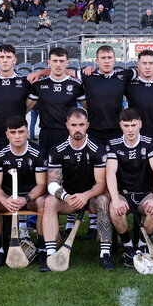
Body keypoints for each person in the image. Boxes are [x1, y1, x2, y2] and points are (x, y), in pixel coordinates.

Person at [42, 108, 112, 270]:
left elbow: (101, 184)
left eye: (81, 125)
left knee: (103, 200)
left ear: (87, 125)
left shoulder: (97, 148)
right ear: (67, 125)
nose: (78, 129)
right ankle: (50, 254)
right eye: (74, 125)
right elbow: (52, 184)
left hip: (91, 196)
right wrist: (66, 197)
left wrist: (85, 196)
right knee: (49, 201)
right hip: (68, 198)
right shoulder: (58, 149)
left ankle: (105, 254)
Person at [105, 108, 153, 269]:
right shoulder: (114, 143)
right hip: (124, 193)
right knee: (114, 210)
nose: (130, 129)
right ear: (120, 125)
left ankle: (141, 245)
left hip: (145, 193)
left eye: (133, 125)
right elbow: (110, 172)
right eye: (126, 125)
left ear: (140, 124)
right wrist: (116, 200)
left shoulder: (149, 142)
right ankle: (128, 246)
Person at [0, 116, 48, 268]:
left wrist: (25, 199)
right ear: (7, 134)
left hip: (30, 196)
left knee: (44, 203)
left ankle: (42, 250)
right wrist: (4, 200)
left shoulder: (38, 152)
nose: (17, 136)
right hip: (7, 196)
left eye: (21, 132)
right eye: (13, 132)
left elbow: (41, 185)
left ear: (27, 132)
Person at [27, 47, 84, 154]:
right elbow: (25, 109)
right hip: (47, 133)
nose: (58, 64)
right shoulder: (39, 84)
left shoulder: (76, 85)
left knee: (68, 169)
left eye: (61, 61)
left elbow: (90, 108)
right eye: (55, 61)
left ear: (67, 63)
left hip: (68, 133)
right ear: (49, 62)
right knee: (45, 168)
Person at [0, 44, 32, 154]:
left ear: (15, 60)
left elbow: (33, 101)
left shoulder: (25, 82)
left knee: (16, 171)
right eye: (2, 57)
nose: (5, 60)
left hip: (17, 137)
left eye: (8, 57)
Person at [125, 50, 153, 139]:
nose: (147, 67)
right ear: (138, 65)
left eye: (151, 63)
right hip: (136, 138)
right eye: (144, 63)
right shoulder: (129, 85)